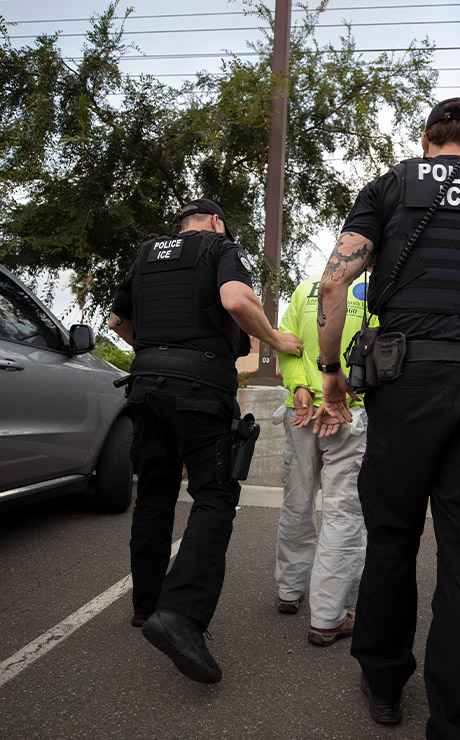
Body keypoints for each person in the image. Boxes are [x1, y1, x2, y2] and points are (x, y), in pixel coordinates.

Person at [316, 98, 460, 738]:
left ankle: (386, 679)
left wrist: (331, 369)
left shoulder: (392, 185)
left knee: (391, 538)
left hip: (401, 386)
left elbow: (333, 284)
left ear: (427, 141)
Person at [107, 198, 302, 685]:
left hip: (145, 384)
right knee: (214, 497)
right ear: (216, 221)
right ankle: (181, 614)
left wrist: (156, 352)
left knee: (154, 496)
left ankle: (145, 605)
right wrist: (276, 341)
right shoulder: (219, 246)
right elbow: (236, 302)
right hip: (200, 389)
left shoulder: (147, 253)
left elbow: (118, 322)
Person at [274, 274, 374, 647]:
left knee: (296, 503)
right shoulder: (377, 290)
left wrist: (300, 387)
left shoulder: (306, 287)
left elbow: (286, 341)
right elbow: (380, 351)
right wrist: (341, 397)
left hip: (298, 412)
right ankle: (328, 617)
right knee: (343, 513)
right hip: (346, 415)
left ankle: (289, 589)